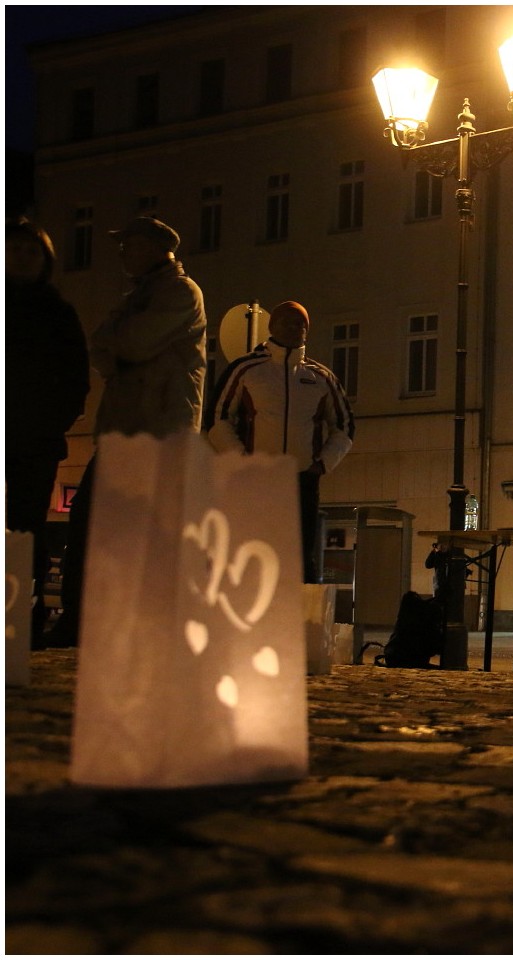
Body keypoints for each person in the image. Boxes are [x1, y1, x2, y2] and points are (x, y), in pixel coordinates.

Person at [46, 215, 206, 647]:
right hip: (124, 426)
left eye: (130, 245)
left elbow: (131, 343)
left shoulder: (178, 291)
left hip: (158, 428)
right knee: (91, 519)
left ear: (156, 248)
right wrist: (121, 350)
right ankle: (82, 619)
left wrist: (122, 350)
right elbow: (101, 344)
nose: (122, 253)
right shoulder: (138, 294)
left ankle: (140, 625)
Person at [208, 301, 355, 583]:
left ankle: (300, 621)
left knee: (300, 557)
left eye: (301, 323)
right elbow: (217, 417)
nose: (295, 327)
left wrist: (322, 464)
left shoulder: (321, 377)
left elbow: (345, 424)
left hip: (302, 479)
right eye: (288, 321)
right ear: (272, 326)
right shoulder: (247, 369)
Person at [6, 220, 90, 642]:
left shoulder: (57, 312)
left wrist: (49, 422)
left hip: (33, 440)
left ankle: (25, 615)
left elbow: (76, 378)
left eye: (31, 251)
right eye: (15, 248)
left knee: (26, 530)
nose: (21, 257)